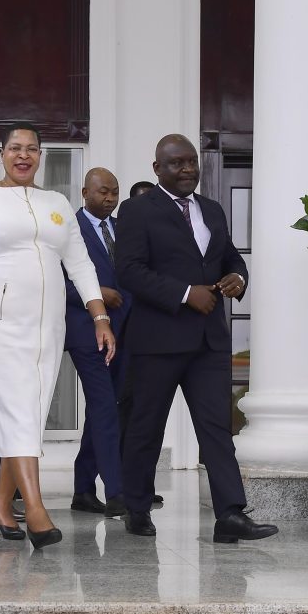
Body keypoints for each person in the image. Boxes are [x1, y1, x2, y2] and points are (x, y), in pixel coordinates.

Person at [0, 123, 115, 550]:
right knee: (18, 409)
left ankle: (0, 505)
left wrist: (99, 316)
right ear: (1, 154)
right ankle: (33, 509)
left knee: (29, 412)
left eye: (32, 149)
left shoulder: (56, 204)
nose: (23, 155)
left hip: (47, 323)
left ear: (40, 156)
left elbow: (81, 265)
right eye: (15, 148)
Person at [116, 133, 277, 543]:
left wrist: (239, 277)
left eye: (191, 162)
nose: (188, 169)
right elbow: (129, 270)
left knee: (216, 428)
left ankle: (230, 514)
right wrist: (186, 294)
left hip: (208, 343)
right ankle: (136, 506)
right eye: (176, 163)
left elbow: (230, 256)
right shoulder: (136, 210)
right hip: (158, 341)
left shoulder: (212, 209)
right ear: (157, 169)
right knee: (145, 428)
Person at [66, 168, 130, 518]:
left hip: (125, 331)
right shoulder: (68, 228)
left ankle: (83, 489)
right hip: (85, 331)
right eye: (103, 192)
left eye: (115, 192)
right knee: (105, 405)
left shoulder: (122, 230)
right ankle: (118, 491)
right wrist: (96, 295)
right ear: (85, 192)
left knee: (106, 407)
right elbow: (59, 279)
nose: (109, 198)